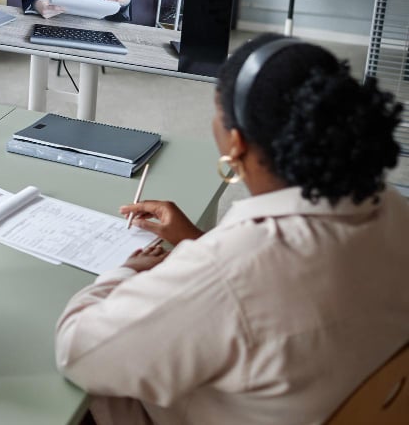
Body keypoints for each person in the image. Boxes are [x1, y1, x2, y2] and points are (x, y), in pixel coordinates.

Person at [55, 34, 409, 425]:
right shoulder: (391, 205)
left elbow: (78, 350)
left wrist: (127, 272)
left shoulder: (230, 272)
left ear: (236, 144)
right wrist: (198, 241)